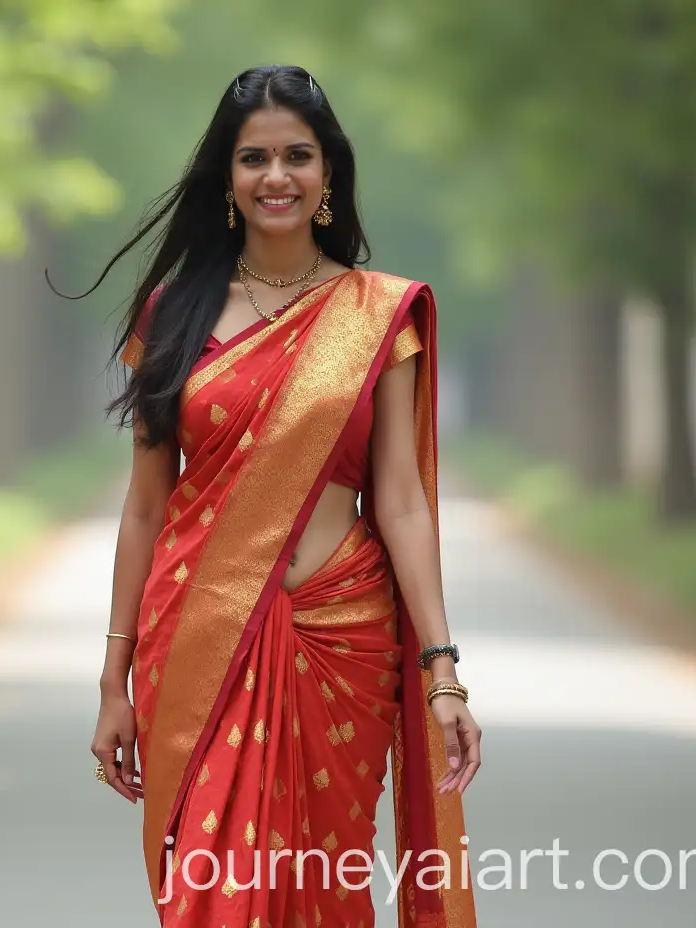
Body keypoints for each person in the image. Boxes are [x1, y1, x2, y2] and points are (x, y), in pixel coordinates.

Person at [77, 64, 481, 927]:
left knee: (322, 894)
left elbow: (402, 501)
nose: (276, 177)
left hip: (346, 638)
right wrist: (113, 678)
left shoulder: (378, 314)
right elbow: (146, 505)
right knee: (214, 903)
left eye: (298, 155)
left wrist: (443, 670)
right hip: (199, 637)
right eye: (254, 158)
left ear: (329, 172)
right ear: (227, 176)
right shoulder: (172, 317)